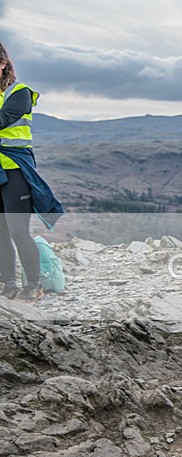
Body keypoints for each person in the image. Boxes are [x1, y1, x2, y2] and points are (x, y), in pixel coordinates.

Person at [0, 42, 63, 303]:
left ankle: (34, 285)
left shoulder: (20, 92)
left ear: (3, 63)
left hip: (15, 171)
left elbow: (2, 120)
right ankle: (8, 284)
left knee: (18, 231)